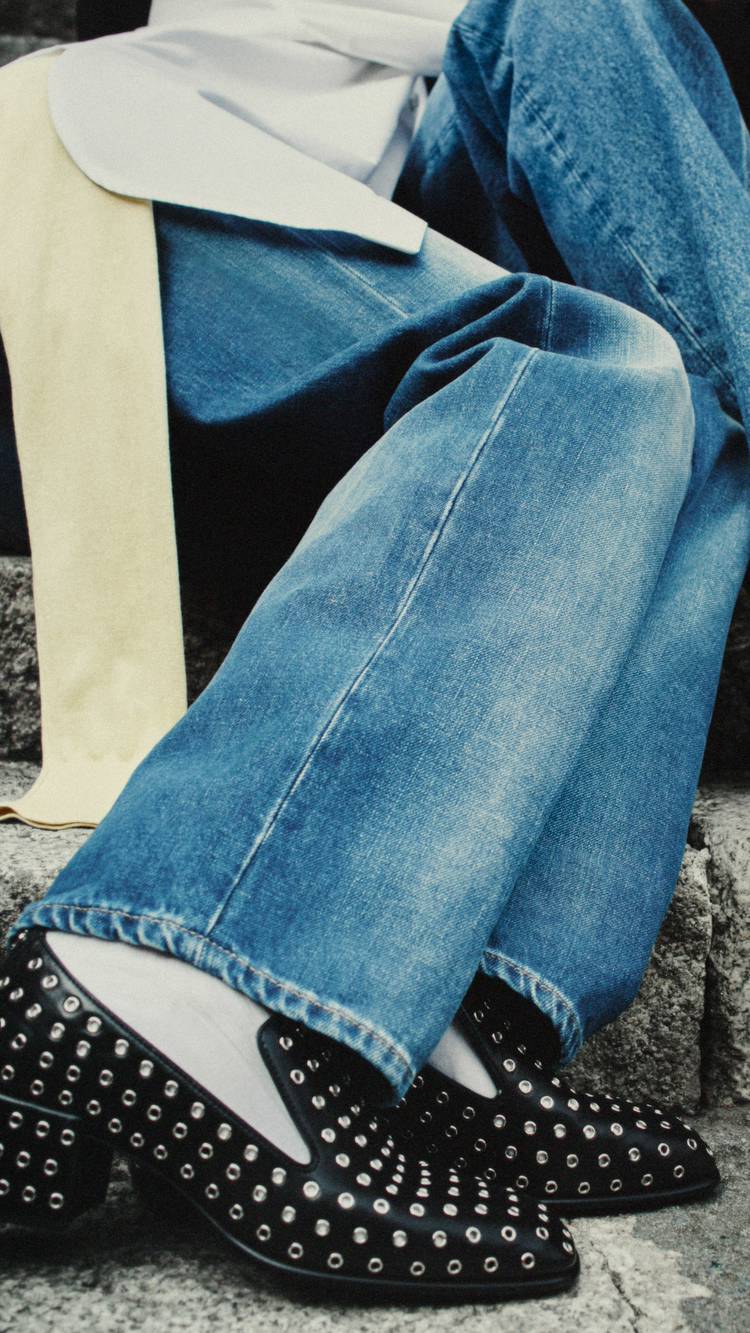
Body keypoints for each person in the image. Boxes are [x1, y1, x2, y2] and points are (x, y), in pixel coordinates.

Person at [0, 0, 747, 1303]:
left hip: (367, 271)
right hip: (134, 188)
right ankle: (170, 961)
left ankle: (470, 1002)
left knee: (692, 421)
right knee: (581, 352)